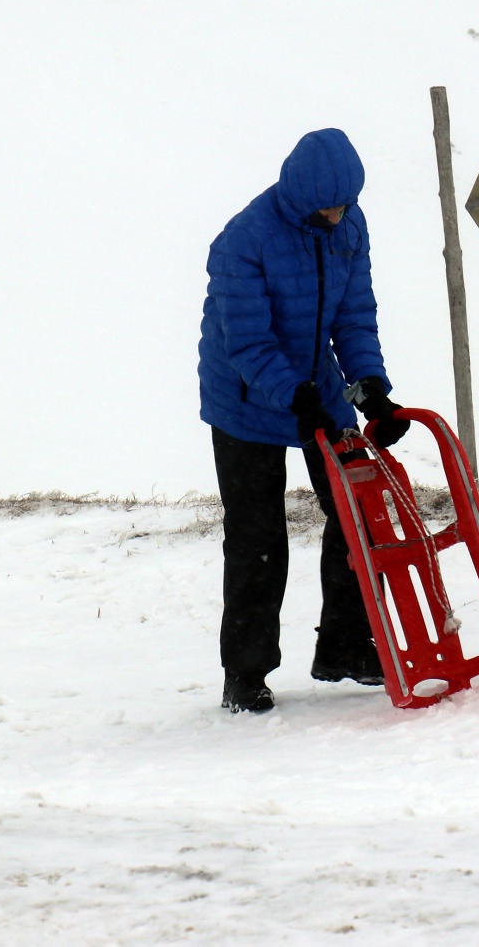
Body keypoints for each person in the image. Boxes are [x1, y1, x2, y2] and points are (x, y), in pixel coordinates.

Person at [198, 128, 410, 714]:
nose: (339, 215)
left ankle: (344, 645)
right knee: (257, 540)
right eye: (329, 206)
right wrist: (293, 393)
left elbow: (355, 313)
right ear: (299, 196)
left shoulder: (349, 227)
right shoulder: (244, 241)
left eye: (347, 205)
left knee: (357, 513)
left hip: (318, 386)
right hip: (246, 398)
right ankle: (245, 673)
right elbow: (244, 339)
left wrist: (370, 390)